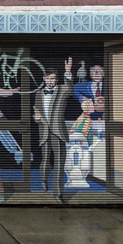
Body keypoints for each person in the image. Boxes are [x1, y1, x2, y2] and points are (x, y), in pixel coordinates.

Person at [33, 60, 73, 200]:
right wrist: (36, 118)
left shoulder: (62, 90)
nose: (50, 81)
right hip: (44, 131)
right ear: (44, 78)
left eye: (53, 79)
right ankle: (44, 179)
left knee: (59, 163)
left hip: (58, 132)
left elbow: (70, 89)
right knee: (45, 160)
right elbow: (36, 112)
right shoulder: (38, 93)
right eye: (48, 78)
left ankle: (58, 193)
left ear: (56, 80)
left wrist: (68, 72)